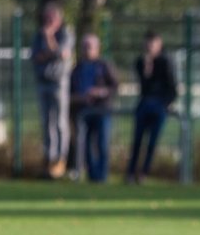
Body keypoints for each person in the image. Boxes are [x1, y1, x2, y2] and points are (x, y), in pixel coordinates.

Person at [125, 31, 177, 184]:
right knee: (137, 141)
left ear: (159, 44)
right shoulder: (141, 62)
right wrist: (147, 67)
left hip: (159, 106)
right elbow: (144, 85)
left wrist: (165, 104)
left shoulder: (166, 62)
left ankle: (143, 173)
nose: (149, 47)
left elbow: (172, 87)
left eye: (152, 43)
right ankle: (131, 172)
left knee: (152, 142)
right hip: (144, 104)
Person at [69, 34, 119, 183]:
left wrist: (100, 92)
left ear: (97, 49)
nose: (86, 50)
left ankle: (102, 176)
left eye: (89, 47)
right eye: (84, 47)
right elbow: (70, 92)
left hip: (101, 110)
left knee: (102, 143)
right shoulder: (76, 69)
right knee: (86, 144)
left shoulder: (104, 66)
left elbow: (114, 86)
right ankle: (92, 176)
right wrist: (79, 98)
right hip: (83, 111)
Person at [31, 1, 73, 178]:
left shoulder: (65, 33)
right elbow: (35, 57)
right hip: (43, 82)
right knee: (47, 122)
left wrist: (49, 39)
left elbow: (62, 54)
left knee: (60, 122)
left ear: (58, 19)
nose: (47, 21)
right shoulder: (38, 36)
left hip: (58, 83)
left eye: (51, 18)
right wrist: (52, 54)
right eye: (46, 18)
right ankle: (49, 159)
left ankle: (61, 160)